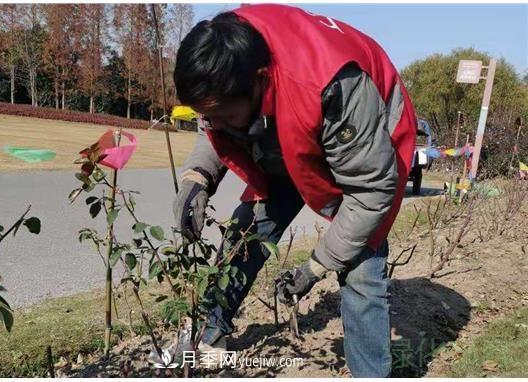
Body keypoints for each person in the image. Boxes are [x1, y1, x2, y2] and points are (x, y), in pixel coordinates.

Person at [160, 4, 417, 377]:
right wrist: (196, 178)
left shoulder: (336, 86)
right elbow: (211, 123)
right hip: (287, 127)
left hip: (363, 145)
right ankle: (204, 336)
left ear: (260, 80)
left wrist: (316, 266)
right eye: (207, 113)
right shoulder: (224, 55)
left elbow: (370, 192)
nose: (213, 123)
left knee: (360, 266)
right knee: (245, 235)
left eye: (223, 114)